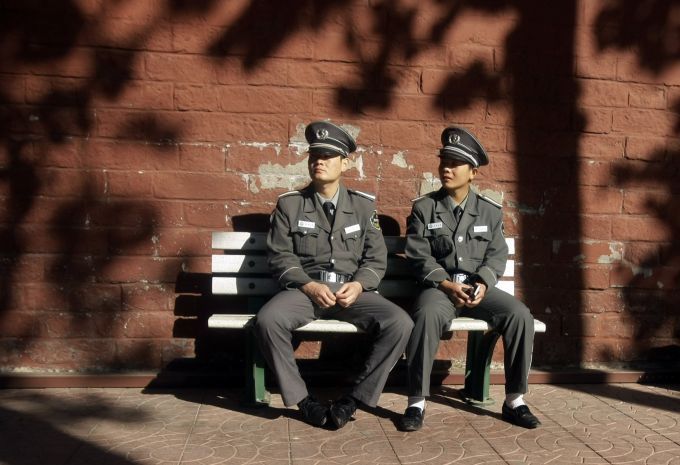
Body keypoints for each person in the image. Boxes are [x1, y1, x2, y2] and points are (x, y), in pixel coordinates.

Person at [255, 121, 413, 429]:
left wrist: (359, 284)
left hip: (350, 294)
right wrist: (309, 285)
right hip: (305, 292)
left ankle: (354, 399)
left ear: (345, 162)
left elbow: (376, 258)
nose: (319, 161)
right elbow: (280, 256)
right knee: (268, 320)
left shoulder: (363, 207)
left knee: (400, 323)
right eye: (315, 155)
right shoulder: (290, 205)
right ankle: (304, 401)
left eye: (328, 156)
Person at [399, 126, 541, 431]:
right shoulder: (425, 208)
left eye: (455, 164)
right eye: (443, 162)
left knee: (520, 315)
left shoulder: (489, 211)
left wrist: (484, 283)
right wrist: (446, 283)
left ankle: (515, 400)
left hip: (477, 290)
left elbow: (497, 254)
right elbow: (418, 254)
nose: (446, 169)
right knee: (425, 315)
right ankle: (416, 401)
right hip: (441, 288)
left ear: (473, 171)